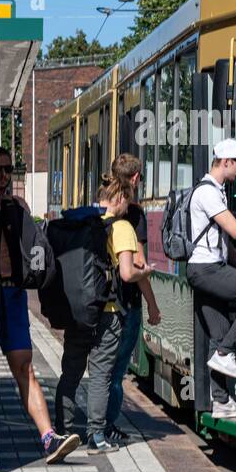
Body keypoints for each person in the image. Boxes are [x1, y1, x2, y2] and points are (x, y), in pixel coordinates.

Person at [0, 148, 80, 464]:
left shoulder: (18, 207)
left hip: (11, 294)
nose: (3, 175)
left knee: (25, 367)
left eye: (8, 169)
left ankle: (49, 438)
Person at [55, 174, 149, 453]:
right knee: (100, 375)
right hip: (107, 312)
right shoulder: (121, 227)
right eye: (128, 200)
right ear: (119, 198)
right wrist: (146, 271)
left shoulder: (82, 222)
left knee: (70, 372)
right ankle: (96, 436)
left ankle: (63, 429)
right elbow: (127, 272)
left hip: (77, 310)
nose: (129, 206)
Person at [186, 138, 236, 419]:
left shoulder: (216, 191)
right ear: (226, 162)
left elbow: (224, 241)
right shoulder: (208, 193)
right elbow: (234, 231)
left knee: (219, 333)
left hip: (208, 269)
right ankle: (225, 352)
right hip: (206, 270)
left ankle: (221, 401)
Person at [104, 154, 161, 441]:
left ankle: (94, 422)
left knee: (103, 366)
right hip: (126, 302)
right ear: (136, 178)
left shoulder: (101, 207)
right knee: (117, 371)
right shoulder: (134, 215)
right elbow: (138, 265)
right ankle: (106, 426)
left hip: (101, 301)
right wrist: (151, 303)